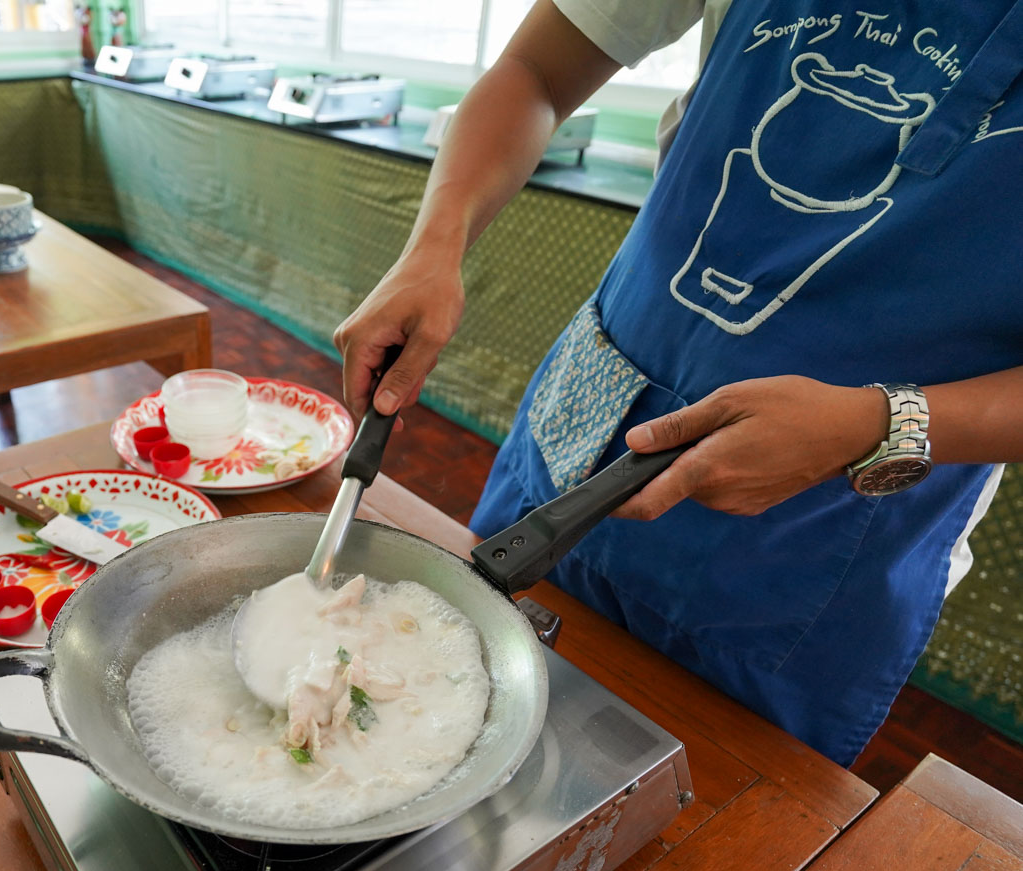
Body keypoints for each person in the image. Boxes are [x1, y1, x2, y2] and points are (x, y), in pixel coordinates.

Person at [333, 0, 1023, 766]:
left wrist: (877, 424)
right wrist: (434, 246)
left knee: (698, 807)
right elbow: (536, 71)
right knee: (444, 696)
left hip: (822, 519)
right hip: (596, 413)